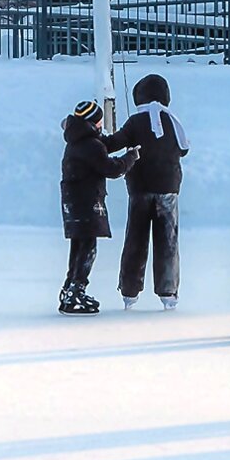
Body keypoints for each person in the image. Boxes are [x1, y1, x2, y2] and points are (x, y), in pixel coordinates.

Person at [103, 73, 189, 310]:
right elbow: (183, 150)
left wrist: (95, 136)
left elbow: (113, 144)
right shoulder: (173, 121)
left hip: (139, 189)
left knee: (136, 240)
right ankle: (168, 292)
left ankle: (130, 291)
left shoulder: (135, 122)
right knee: (168, 242)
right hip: (169, 188)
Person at [58, 100, 138, 315]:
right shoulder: (90, 145)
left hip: (74, 201)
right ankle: (77, 289)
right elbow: (110, 168)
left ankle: (70, 288)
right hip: (86, 202)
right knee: (87, 248)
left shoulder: (78, 140)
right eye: (100, 120)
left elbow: (104, 145)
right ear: (94, 122)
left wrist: (123, 139)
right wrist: (131, 157)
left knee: (79, 246)